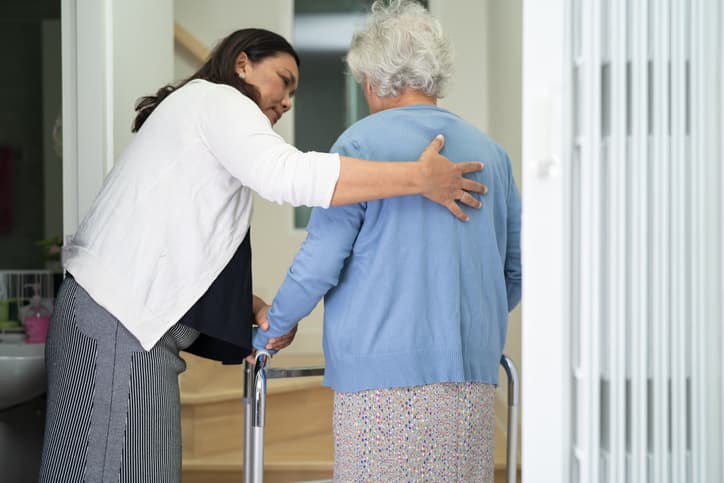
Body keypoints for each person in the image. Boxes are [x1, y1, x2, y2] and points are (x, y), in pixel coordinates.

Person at [37, 27, 486, 482]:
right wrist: (419, 178)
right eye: (283, 80)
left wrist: (253, 308)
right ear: (242, 64)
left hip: (120, 321)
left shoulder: (203, 115)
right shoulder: (218, 100)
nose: (288, 100)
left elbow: (187, 244)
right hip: (118, 321)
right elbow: (287, 175)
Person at [252, 2, 522, 481]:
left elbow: (319, 260)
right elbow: (514, 271)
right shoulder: (491, 154)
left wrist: (275, 323)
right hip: (473, 377)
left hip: (381, 384)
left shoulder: (360, 146)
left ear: (373, 81)